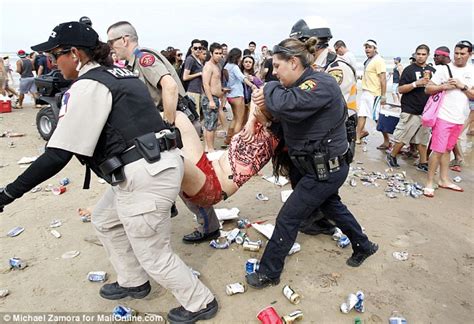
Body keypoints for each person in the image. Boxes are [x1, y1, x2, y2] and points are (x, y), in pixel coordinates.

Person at [0, 21, 218, 323]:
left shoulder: (89, 85)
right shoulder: (120, 74)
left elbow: (58, 155)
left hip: (145, 175)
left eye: (54, 55)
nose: (52, 63)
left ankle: (200, 302)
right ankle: (133, 280)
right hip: (154, 165)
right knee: (104, 219)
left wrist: (8, 193)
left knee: (154, 253)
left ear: (74, 54)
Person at [245, 37, 378, 289]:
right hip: (313, 167)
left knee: (287, 218)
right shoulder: (302, 86)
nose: (274, 72)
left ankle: (269, 273)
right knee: (332, 206)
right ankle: (364, 245)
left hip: (326, 170)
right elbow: (293, 121)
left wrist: (268, 89)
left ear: (293, 62)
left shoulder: (320, 83)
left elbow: (287, 103)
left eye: (277, 66)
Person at [107, 21, 220, 244]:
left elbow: (169, 87)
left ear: (124, 40)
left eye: (112, 42)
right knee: (170, 174)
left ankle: (209, 227)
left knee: (187, 180)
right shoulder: (133, 63)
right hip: (173, 123)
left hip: (177, 123)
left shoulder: (144, 58)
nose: (110, 47)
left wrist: (166, 124)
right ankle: (171, 208)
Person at [287, 18, 358, 236]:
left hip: (336, 133)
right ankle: (316, 219)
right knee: (310, 177)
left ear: (315, 44)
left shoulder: (337, 69)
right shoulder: (316, 66)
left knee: (324, 180)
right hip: (319, 131)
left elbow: (312, 101)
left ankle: (323, 222)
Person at [424, 40, 474, 198]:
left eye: (462, 54)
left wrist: (462, 86)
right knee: (437, 150)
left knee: (447, 150)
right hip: (443, 116)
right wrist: (443, 86)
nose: (458, 57)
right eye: (456, 53)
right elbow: (428, 89)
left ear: (470, 54)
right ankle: (429, 182)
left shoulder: (472, 71)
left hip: (460, 118)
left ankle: (444, 179)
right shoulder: (444, 69)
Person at [386, 44, 435, 172]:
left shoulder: (432, 71)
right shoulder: (409, 69)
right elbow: (400, 89)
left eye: (423, 54)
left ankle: (423, 162)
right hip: (410, 109)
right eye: (418, 54)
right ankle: (391, 156)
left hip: (426, 110)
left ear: (428, 55)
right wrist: (415, 84)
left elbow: (436, 90)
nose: (420, 56)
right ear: (415, 55)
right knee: (403, 136)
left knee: (422, 139)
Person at [223, 48, 258, 146]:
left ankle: (228, 140)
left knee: (234, 119)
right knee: (240, 120)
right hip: (237, 95)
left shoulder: (226, 66)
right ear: (238, 56)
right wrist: (252, 85)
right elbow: (242, 78)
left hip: (230, 96)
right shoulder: (234, 67)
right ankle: (235, 142)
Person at [357, 40, 387, 147]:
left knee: (377, 118)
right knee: (361, 115)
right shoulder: (368, 60)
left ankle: (387, 140)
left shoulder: (379, 60)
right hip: (365, 91)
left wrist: (383, 95)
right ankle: (357, 137)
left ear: (375, 48)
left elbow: (383, 79)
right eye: (366, 47)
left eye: (370, 47)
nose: (367, 49)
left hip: (374, 94)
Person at [201, 43, 224, 152]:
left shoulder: (216, 65)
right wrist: (210, 100)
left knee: (210, 124)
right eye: (216, 53)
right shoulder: (208, 66)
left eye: (220, 53)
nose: (219, 55)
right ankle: (210, 148)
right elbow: (205, 84)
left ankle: (208, 147)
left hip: (215, 97)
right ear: (211, 53)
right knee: (210, 125)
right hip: (210, 98)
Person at [183, 39, 204, 117]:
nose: (198, 50)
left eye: (200, 48)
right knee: (196, 115)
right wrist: (199, 74)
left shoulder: (198, 59)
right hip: (192, 90)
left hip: (198, 91)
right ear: (191, 48)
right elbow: (185, 77)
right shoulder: (190, 59)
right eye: (195, 48)